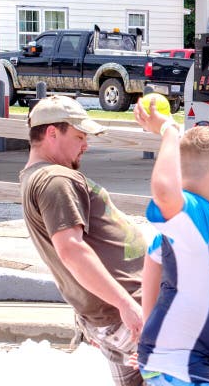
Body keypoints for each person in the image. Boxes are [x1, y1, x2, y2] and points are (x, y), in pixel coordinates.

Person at [20, 95, 147, 386]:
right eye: (79, 136)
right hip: (127, 311)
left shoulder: (37, 178)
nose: (85, 145)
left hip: (108, 315)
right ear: (52, 132)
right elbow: (71, 250)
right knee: (199, 374)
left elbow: (62, 254)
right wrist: (126, 304)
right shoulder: (56, 179)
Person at [134, 97, 209, 386]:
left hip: (190, 365)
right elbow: (164, 190)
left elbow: (154, 255)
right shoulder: (197, 215)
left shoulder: (207, 218)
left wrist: (150, 327)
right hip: (179, 365)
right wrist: (169, 130)